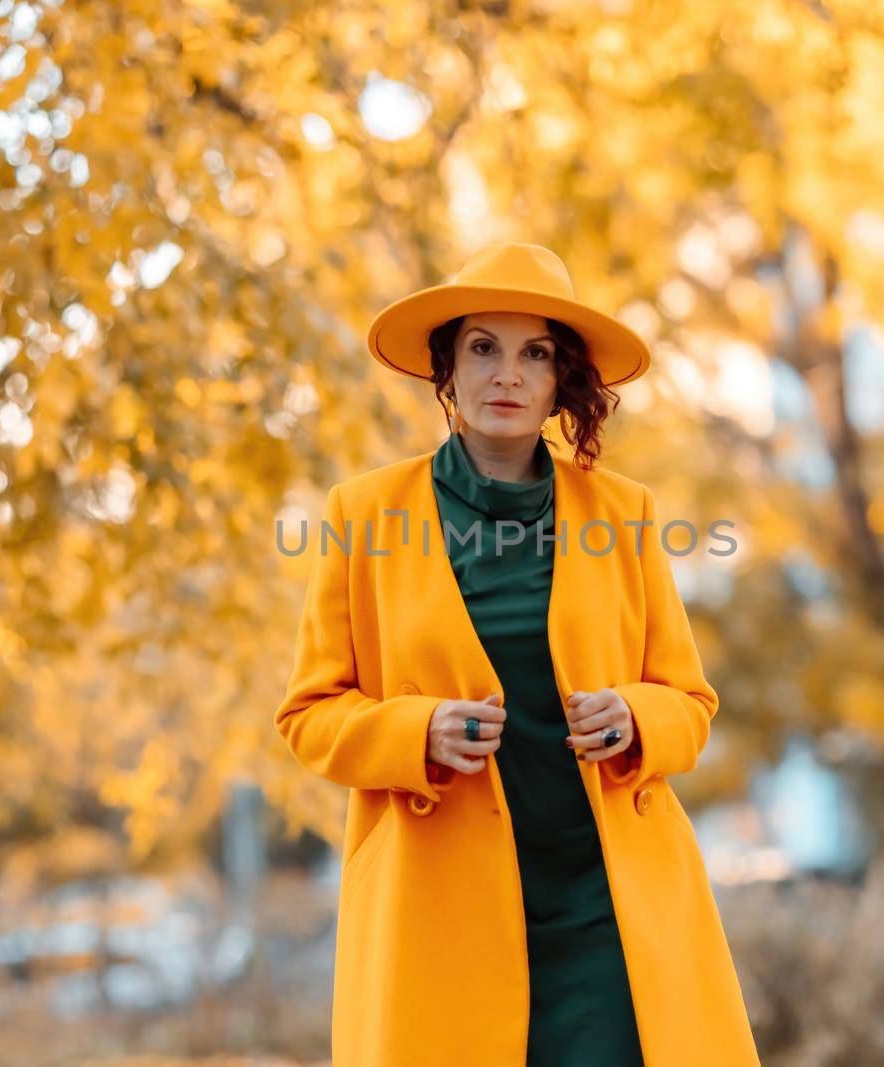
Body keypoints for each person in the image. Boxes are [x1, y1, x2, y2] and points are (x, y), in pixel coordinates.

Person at [274, 242, 759, 1067]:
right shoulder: (363, 513)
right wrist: (415, 731)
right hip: (440, 912)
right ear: (448, 373)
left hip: (606, 913)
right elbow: (308, 715)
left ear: (559, 380)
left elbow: (691, 702)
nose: (509, 374)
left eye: (535, 353)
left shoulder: (625, 512)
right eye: (484, 348)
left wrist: (636, 717)